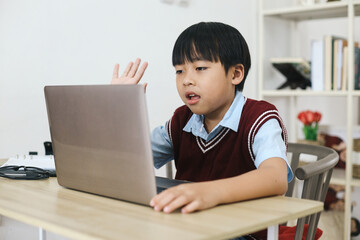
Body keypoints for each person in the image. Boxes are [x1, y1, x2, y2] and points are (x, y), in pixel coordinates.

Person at [112, 22, 293, 239]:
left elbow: (275, 178)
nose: (187, 80)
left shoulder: (260, 117)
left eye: (200, 68)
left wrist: (210, 191)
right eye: (179, 71)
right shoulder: (181, 120)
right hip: (188, 228)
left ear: (235, 74)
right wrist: (118, 108)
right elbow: (129, 158)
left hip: (244, 232)